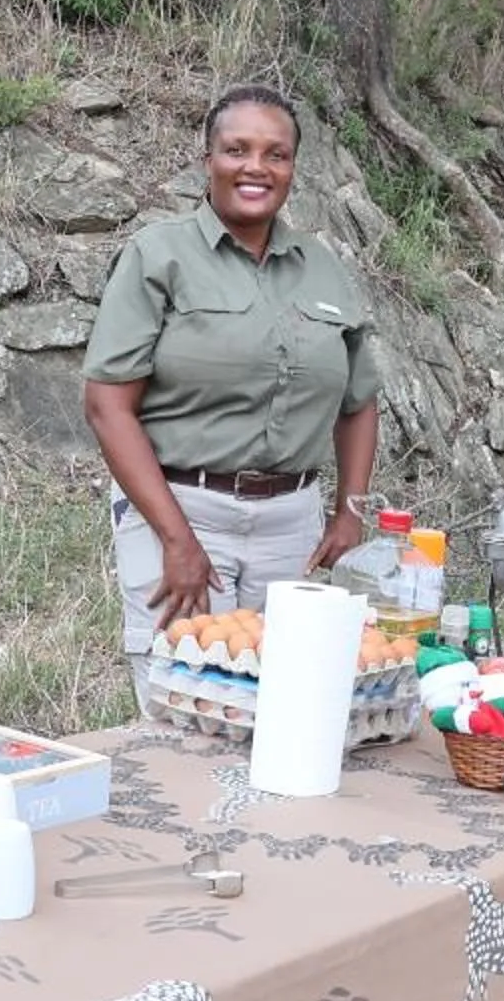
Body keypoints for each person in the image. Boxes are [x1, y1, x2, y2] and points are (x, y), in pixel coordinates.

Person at [82, 85, 382, 654]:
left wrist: (351, 514)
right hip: (182, 510)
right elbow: (107, 408)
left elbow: (358, 401)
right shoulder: (158, 256)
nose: (256, 167)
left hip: (291, 526)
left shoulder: (322, 268)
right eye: (237, 150)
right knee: (187, 693)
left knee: (287, 690)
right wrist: (176, 540)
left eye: (276, 154)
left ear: (292, 169)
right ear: (208, 161)